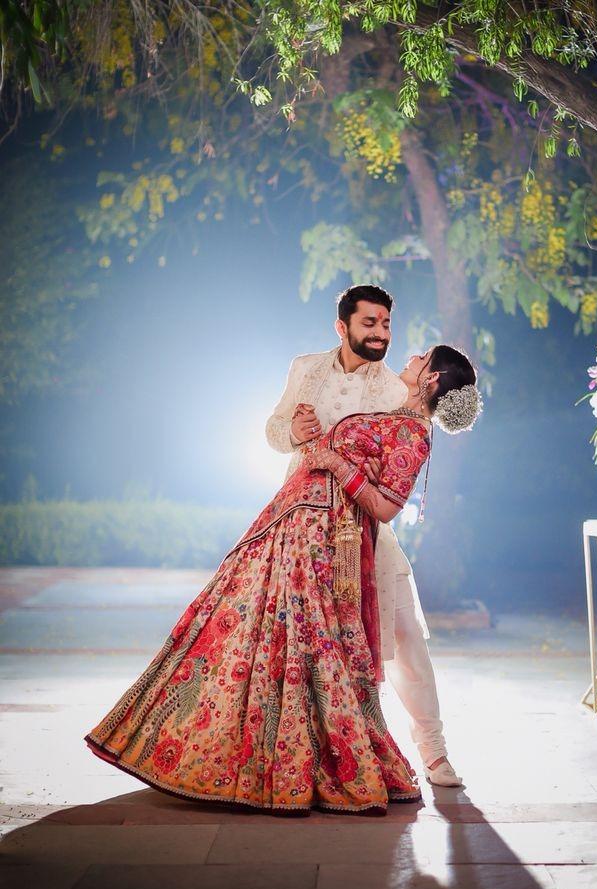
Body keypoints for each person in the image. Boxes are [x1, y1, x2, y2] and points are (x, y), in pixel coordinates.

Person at [84, 339, 481, 815]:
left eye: (420, 358)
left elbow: (386, 507)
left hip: (329, 543)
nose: (408, 357)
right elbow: (313, 444)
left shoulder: (414, 433)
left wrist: (335, 462)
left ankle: (387, 755)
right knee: (256, 633)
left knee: (345, 646)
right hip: (297, 529)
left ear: (432, 379)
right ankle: (245, 755)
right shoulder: (370, 395)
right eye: (373, 324)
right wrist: (310, 440)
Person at [265, 285, 467, 786]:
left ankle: (433, 752)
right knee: (303, 644)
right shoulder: (304, 368)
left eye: (386, 326)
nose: (381, 336)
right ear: (343, 326)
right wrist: (293, 429)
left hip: (366, 532)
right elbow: (271, 432)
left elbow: (406, 448)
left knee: (403, 636)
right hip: (303, 525)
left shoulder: (395, 390)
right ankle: (305, 758)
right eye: (370, 325)